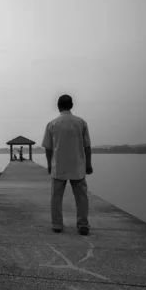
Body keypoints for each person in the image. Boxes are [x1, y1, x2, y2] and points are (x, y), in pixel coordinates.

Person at [41, 94, 93, 235]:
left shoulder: (52, 124)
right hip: (78, 166)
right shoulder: (81, 123)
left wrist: (49, 165)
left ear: (58, 106)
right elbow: (87, 147)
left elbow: (48, 148)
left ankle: (57, 224)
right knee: (81, 197)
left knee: (56, 197)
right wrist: (88, 164)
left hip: (59, 166)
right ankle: (83, 224)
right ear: (72, 105)